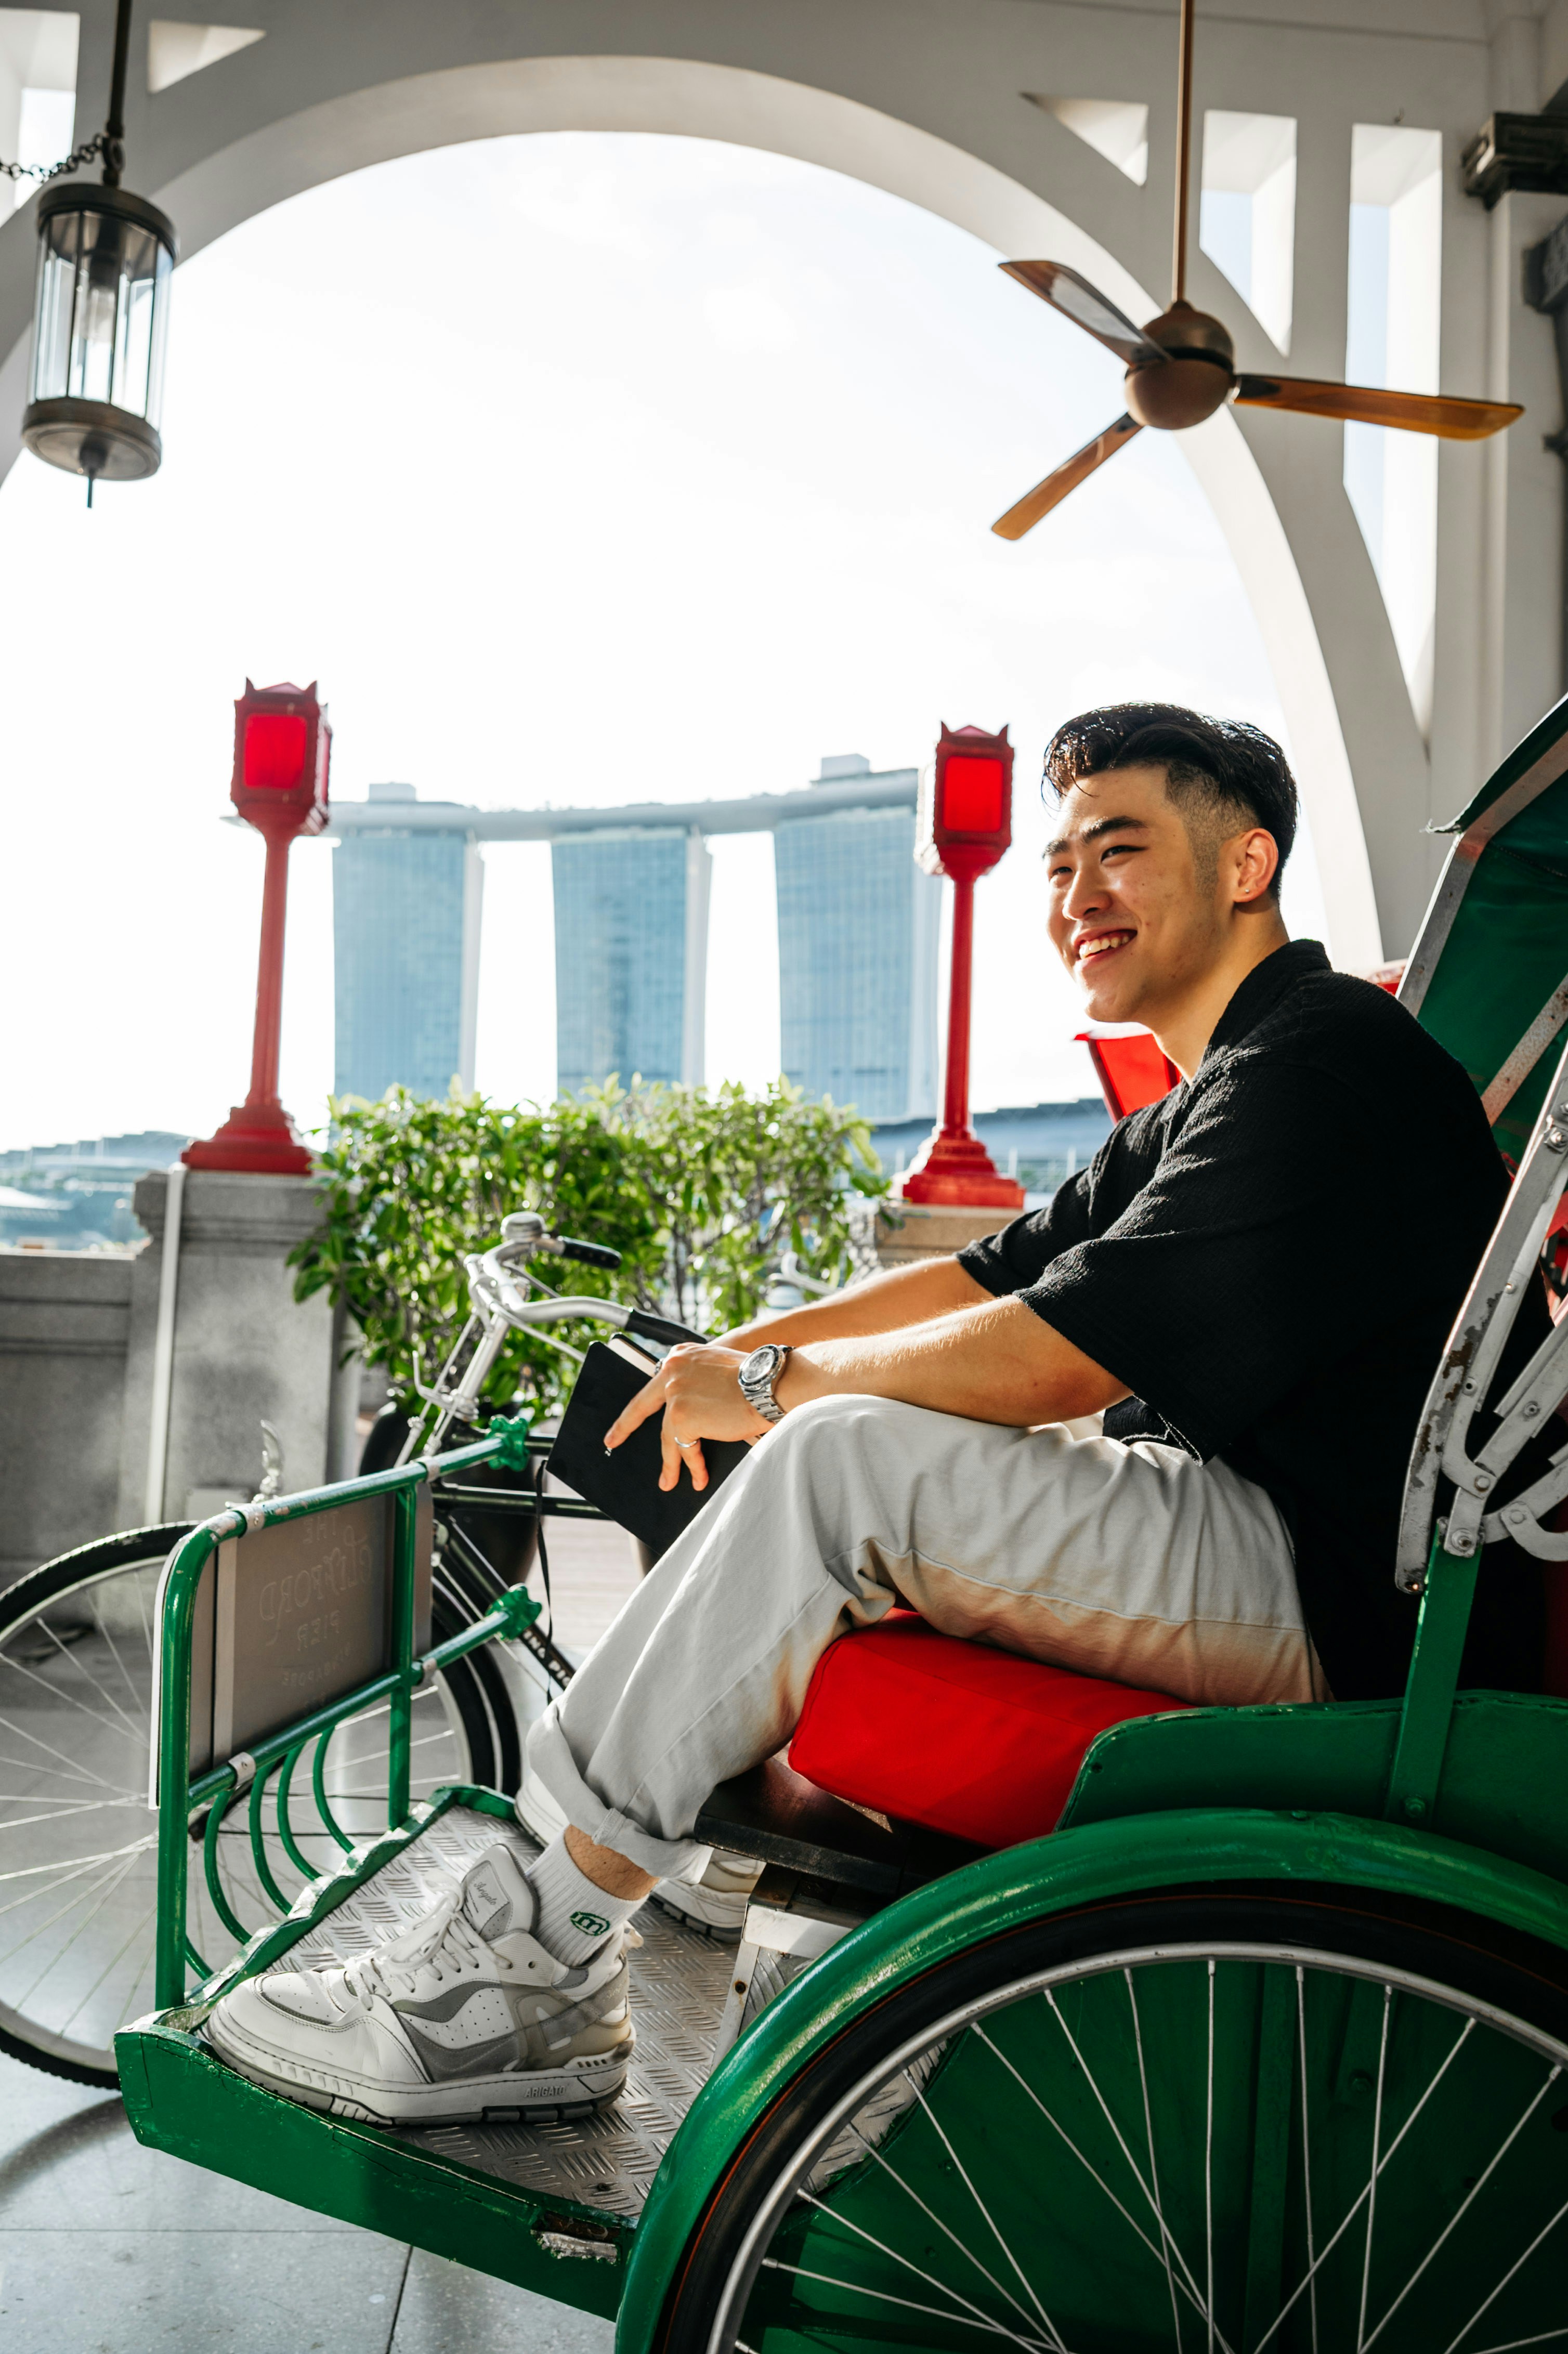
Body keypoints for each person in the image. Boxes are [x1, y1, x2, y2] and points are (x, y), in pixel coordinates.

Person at [205, 701, 1543, 2126]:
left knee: (842, 1463)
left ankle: (522, 1970)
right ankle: (673, 1900)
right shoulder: (1219, 1083)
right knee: (829, 1445)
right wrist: (725, 1356)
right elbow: (986, 1273)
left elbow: (1054, 1360)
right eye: (1056, 862)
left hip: (1340, 1587)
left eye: (1121, 848)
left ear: (1245, 864)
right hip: (1277, 1542)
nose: (1075, 895)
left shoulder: (1322, 1064)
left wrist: (777, 1393)